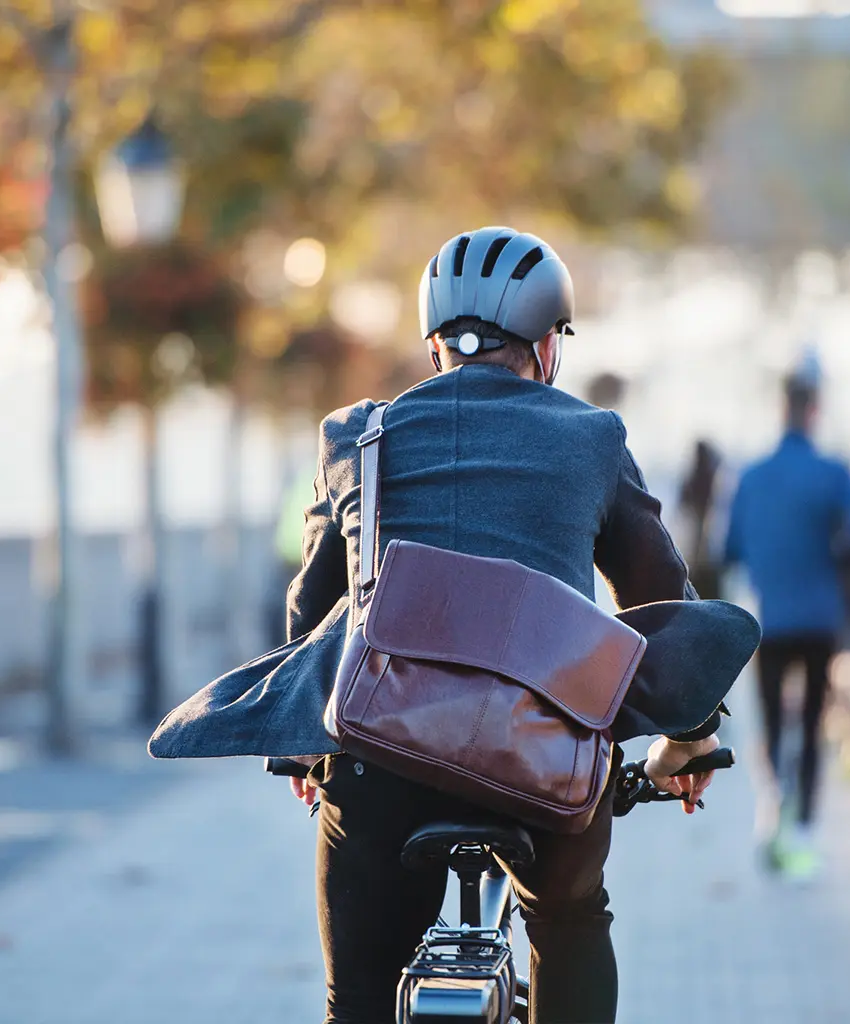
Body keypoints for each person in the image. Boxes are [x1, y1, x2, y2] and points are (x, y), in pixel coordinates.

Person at [148, 227, 761, 1024]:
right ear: (548, 348)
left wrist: (303, 746)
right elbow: (661, 602)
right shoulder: (591, 437)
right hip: (548, 754)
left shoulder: (355, 436)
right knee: (571, 917)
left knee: (359, 999)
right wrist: (690, 741)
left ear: (435, 347)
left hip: (379, 754)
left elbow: (314, 614)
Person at [723, 353, 850, 881]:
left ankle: (772, 811)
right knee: (811, 724)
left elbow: (732, 550)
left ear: (781, 408)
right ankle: (805, 828)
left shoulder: (751, 477)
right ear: (815, 410)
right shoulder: (835, 473)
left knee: (768, 721)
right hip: (820, 617)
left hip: (769, 620)